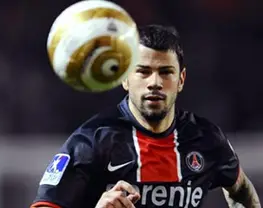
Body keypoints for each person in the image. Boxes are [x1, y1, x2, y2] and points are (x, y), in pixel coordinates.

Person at [30, 25, 261, 208]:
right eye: (143, 71)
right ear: (125, 78)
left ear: (180, 80)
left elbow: (240, 190)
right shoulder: (91, 142)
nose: (155, 83)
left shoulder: (207, 138)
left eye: (165, 72)